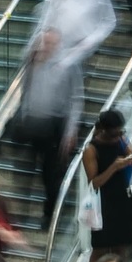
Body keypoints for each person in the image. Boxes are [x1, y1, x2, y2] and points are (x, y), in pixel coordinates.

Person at [15, 28, 84, 228]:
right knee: (25, 168)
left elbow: (76, 98)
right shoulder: (32, 61)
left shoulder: (68, 65)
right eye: (45, 43)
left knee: (50, 173)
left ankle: (49, 215)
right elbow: (25, 90)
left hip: (55, 124)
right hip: (32, 122)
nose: (48, 47)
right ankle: (22, 213)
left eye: (52, 43)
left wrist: (71, 130)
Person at [82, 110, 132, 259]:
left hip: (122, 198)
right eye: (115, 133)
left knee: (120, 246)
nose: (118, 135)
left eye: (120, 131)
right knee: (100, 249)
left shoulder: (121, 140)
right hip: (103, 203)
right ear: (104, 130)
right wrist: (113, 167)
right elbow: (94, 183)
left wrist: (127, 145)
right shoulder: (91, 149)